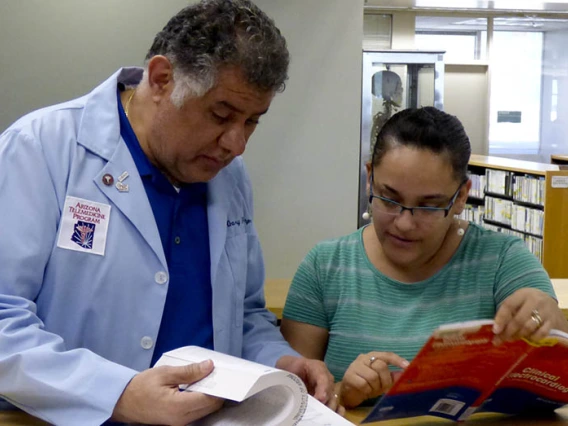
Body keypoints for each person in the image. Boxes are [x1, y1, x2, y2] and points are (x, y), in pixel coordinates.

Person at [0, 1, 336, 424]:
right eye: (221, 114)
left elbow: (245, 313)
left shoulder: (229, 177)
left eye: (253, 122)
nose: (237, 144)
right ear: (161, 79)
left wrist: (280, 360)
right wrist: (117, 394)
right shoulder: (40, 149)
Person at [281, 106, 568, 409]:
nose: (404, 223)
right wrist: (343, 392)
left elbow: (555, 382)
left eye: (429, 206)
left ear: (460, 197)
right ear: (369, 178)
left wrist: (549, 326)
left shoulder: (503, 261)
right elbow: (293, 398)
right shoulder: (324, 267)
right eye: (389, 199)